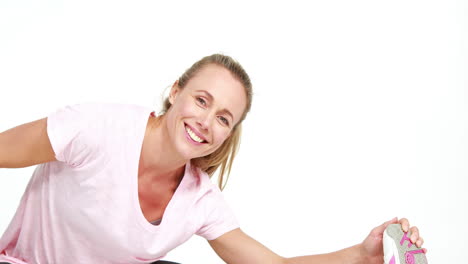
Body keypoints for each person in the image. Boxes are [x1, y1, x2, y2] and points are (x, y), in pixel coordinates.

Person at [0, 54, 426, 264]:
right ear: (175, 91)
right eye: (201, 100)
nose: (205, 122)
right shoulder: (94, 128)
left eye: (223, 117)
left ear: (229, 132)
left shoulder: (198, 200)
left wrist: (360, 254)